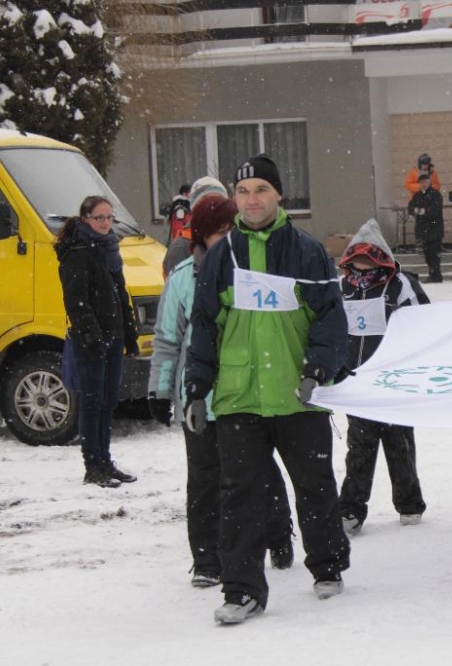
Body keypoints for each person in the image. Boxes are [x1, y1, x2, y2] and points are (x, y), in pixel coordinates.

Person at [184, 154, 350, 625]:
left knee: (314, 486)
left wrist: (317, 370)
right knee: (239, 495)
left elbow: (330, 318)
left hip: (298, 395)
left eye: (261, 190)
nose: (251, 200)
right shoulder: (221, 256)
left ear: (279, 195)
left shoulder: (307, 251)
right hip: (239, 396)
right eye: (243, 191)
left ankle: (327, 565)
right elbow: (205, 325)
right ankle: (241, 590)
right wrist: (197, 387)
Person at [148, 195, 296, 588]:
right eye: (218, 233)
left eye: (232, 230)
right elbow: (168, 339)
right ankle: (207, 560)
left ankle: (277, 535)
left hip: (247, 393)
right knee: (204, 481)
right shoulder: (183, 277)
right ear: (201, 236)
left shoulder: (254, 270)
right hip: (200, 401)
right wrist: (160, 391)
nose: (227, 238)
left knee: (257, 473)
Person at [336, 219, 429, 534]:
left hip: (394, 381)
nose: (363, 267)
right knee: (359, 448)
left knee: (399, 444)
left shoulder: (401, 285)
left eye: (369, 260)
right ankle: (350, 509)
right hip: (357, 382)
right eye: (358, 261)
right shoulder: (343, 288)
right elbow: (333, 328)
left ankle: (409, 502)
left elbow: (422, 322)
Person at [56, 196, 140, 488]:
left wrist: (129, 333)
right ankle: (93, 465)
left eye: (109, 218)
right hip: (91, 341)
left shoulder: (108, 249)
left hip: (113, 336)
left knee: (108, 402)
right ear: (85, 219)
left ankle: (105, 461)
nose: (105, 223)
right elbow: (76, 302)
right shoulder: (77, 253)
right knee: (93, 403)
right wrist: (92, 336)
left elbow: (120, 295)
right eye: (99, 218)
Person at [162, 177, 229, 279]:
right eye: (205, 202)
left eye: (218, 202)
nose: (212, 208)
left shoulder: (233, 239)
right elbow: (179, 286)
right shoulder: (181, 247)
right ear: (195, 207)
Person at [408, 172, 445, 283]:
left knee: (434, 254)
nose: (424, 184)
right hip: (422, 230)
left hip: (434, 229)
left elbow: (434, 211)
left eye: (426, 182)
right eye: (422, 182)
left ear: (429, 183)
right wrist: (419, 211)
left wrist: (421, 211)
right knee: (427, 254)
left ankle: (436, 275)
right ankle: (432, 274)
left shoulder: (435, 195)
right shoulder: (417, 195)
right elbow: (411, 208)